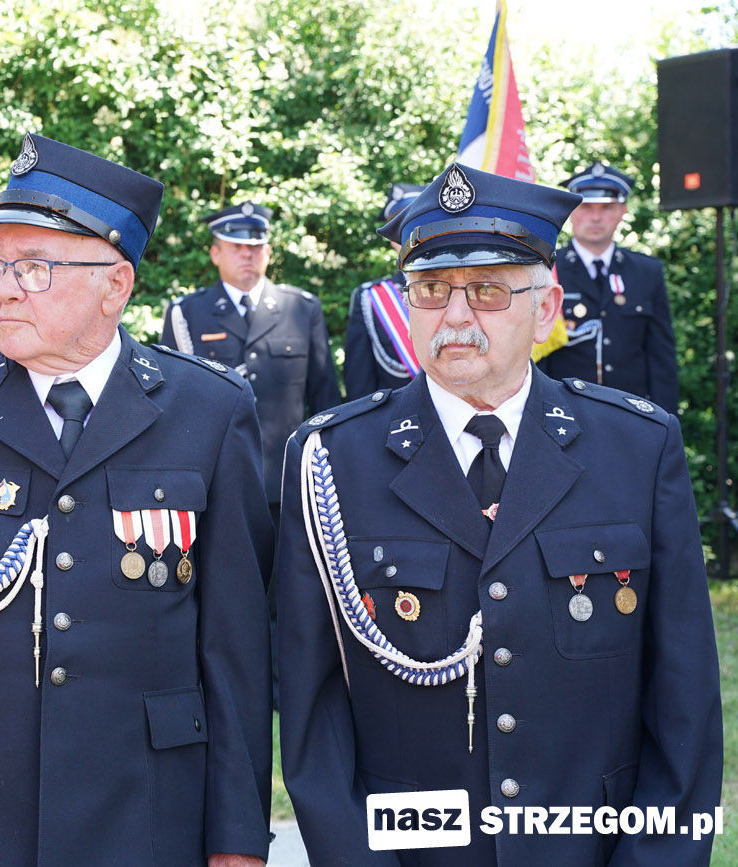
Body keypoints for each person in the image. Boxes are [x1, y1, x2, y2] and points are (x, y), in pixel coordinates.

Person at [277, 162, 721, 864]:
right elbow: (312, 712)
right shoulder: (331, 460)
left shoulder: (637, 447)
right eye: (430, 290)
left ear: (545, 309)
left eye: (486, 290)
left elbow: (685, 703)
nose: (455, 317)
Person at [0, 133, 273, 867]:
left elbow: (236, 647)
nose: (5, 286)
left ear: (116, 284)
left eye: (35, 267)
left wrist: (238, 839)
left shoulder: (209, 409)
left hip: (145, 810)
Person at [160, 201, 341, 522]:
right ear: (215, 254)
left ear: (268, 253)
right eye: (237, 247)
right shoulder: (187, 314)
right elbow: (172, 405)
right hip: (214, 479)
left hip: (289, 482)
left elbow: (325, 400)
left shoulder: (302, 309)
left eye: (255, 247)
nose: (247, 254)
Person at [538, 162, 679, 412]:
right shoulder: (547, 270)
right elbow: (537, 353)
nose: (595, 217)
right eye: (586, 207)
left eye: (606, 208)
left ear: (622, 211)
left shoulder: (647, 272)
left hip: (632, 412)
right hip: (564, 411)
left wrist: (665, 423)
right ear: (571, 212)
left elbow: (661, 359)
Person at [342, 183, 424, 398]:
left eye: (417, 219)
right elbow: (360, 390)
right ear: (390, 237)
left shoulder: (468, 287)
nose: (409, 232)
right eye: (399, 224)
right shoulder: (372, 299)